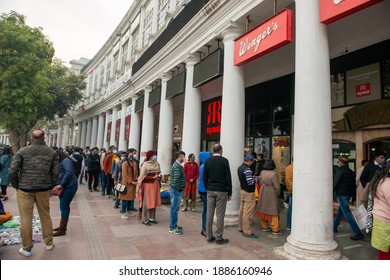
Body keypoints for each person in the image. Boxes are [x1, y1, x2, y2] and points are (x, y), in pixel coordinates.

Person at [8, 130, 59, 257]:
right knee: (45, 216)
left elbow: (12, 171)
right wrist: (50, 185)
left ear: (31, 137)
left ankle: (27, 248)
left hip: (25, 189)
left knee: (26, 219)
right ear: (43, 138)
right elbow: (55, 172)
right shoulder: (52, 152)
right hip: (43, 189)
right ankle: (48, 243)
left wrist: (16, 185)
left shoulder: (22, 151)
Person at [203, 144, 232, 245]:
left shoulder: (207, 160)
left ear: (213, 150)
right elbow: (228, 177)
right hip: (221, 190)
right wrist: (230, 191)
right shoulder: (224, 161)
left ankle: (209, 236)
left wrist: (208, 187)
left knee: (209, 213)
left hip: (210, 189)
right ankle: (219, 237)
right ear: (220, 151)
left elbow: (204, 176)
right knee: (220, 214)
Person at [333, 157, 364, 240]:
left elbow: (335, 183)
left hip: (341, 194)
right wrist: (353, 197)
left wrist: (330, 192)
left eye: (338, 161)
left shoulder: (340, 171)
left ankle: (358, 233)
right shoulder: (351, 172)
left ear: (341, 162)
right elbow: (354, 186)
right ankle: (334, 227)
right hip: (348, 195)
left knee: (347, 213)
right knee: (340, 212)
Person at [52, 150, 78, 236]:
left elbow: (69, 172)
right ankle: (62, 226)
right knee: (64, 206)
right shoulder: (64, 161)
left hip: (69, 186)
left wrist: (62, 184)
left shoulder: (66, 161)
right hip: (67, 185)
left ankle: (62, 229)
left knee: (63, 206)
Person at [256, 159, 283, 235]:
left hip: (263, 191)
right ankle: (275, 228)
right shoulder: (273, 174)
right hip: (271, 193)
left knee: (264, 209)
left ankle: (265, 226)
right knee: (273, 211)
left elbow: (260, 182)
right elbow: (277, 186)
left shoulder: (262, 172)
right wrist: (277, 194)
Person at [370, 163, 390, 260]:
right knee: (386, 253)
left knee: (384, 252)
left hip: (381, 221)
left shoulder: (382, 181)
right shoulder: (388, 183)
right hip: (386, 223)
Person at [137, 150, 162, 226]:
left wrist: (159, 176)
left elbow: (160, 172)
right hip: (147, 186)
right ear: (150, 156)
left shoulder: (157, 163)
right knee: (147, 202)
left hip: (155, 185)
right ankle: (145, 219)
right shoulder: (145, 164)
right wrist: (152, 177)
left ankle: (152, 218)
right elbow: (142, 177)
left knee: (154, 201)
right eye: (154, 155)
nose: (155, 156)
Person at [237, 155, 258, 238]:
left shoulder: (240, 168)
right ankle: (247, 231)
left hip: (242, 190)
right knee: (247, 212)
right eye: (252, 161)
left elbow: (245, 178)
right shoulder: (247, 169)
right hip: (249, 192)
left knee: (241, 210)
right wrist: (257, 179)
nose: (252, 163)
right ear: (249, 161)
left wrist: (252, 177)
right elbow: (250, 182)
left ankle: (240, 227)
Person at [169, 151, 186, 235]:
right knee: (174, 210)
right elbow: (176, 180)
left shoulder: (177, 165)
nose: (184, 158)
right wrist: (180, 188)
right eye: (183, 156)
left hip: (176, 190)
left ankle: (174, 225)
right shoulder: (177, 166)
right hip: (176, 191)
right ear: (179, 156)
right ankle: (172, 228)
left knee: (175, 209)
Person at [119, 152, 139, 219]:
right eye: (130, 155)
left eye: (132, 155)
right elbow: (124, 174)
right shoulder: (124, 163)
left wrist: (136, 178)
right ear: (127, 156)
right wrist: (131, 181)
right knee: (125, 199)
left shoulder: (135, 163)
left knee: (131, 198)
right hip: (126, 184)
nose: (131, 156)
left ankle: (129, 211)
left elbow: (136, 172)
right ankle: (124, 213)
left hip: (133, 183)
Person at [198, 152, 211, 237]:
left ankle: (205, 228)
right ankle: (204, 229)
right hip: (204, 190)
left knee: (206, 209)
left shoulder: (203, 165)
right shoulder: (204, 166)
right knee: (206, 209)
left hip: (203, 189)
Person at [285, 160, 293, 231]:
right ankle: (290, 224)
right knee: (291, 208)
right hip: (294, 190)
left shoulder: (288, 168)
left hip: (290, 189)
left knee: (291, 207)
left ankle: (289, 224)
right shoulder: (294, 168)